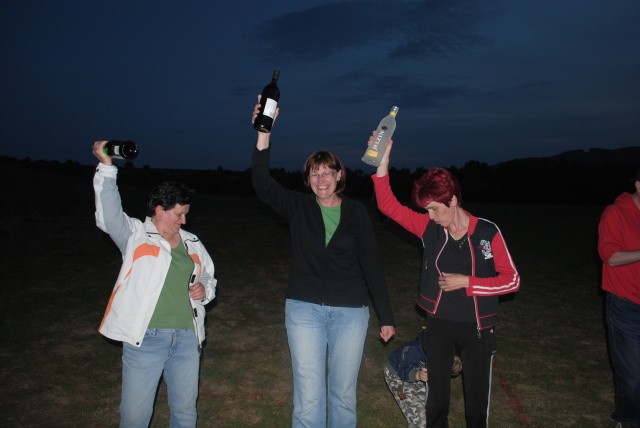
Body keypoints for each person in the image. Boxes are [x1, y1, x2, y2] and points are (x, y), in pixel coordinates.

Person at [251, 99, 396, 428]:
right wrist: (263, 132)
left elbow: (372, 264)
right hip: (304, 310)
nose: (321, 179)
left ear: (339, 175)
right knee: (309, 397)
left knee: (343, 395)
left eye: (328, 172)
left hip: (351, 313)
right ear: (307, 178)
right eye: (314, 173)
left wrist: (386, 316)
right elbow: (262, 184)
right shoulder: (298, 206)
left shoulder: (356, 212)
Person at [368, 135, 520, 427]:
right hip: (438, 325)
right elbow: (388, 206)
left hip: (478, 328)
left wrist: (468, 282)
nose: (430, 215)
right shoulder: (430, 229)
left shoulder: (487, 232)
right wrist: (383, 159)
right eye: (426, 209)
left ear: (453, 200)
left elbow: (512, 280)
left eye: (434, 208)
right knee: (436, 404)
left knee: (476, 407)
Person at [92, 141, 217, 427]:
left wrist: (204, 289)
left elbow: (209, 277)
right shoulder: (135, 235)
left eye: (186, 213)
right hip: (147, 339)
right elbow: (109, 215)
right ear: (160, 210)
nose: (184, 220)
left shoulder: (192, 242)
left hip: (188, 338)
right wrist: (107, 167)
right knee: (135, 416)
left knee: (185, 412)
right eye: (179, 213)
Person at [597, 169, 640, 428]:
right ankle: (627, 420)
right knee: (633, 377)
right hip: (626, 306)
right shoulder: (615, 213)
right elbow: (610, 257)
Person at [384, 329, 462, 428]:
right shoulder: (416, 349)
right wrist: (418, 375)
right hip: (397, 376)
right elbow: (403, 369)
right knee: (420, 419)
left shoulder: (442, 352)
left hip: (419, 374)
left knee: (433, 410)